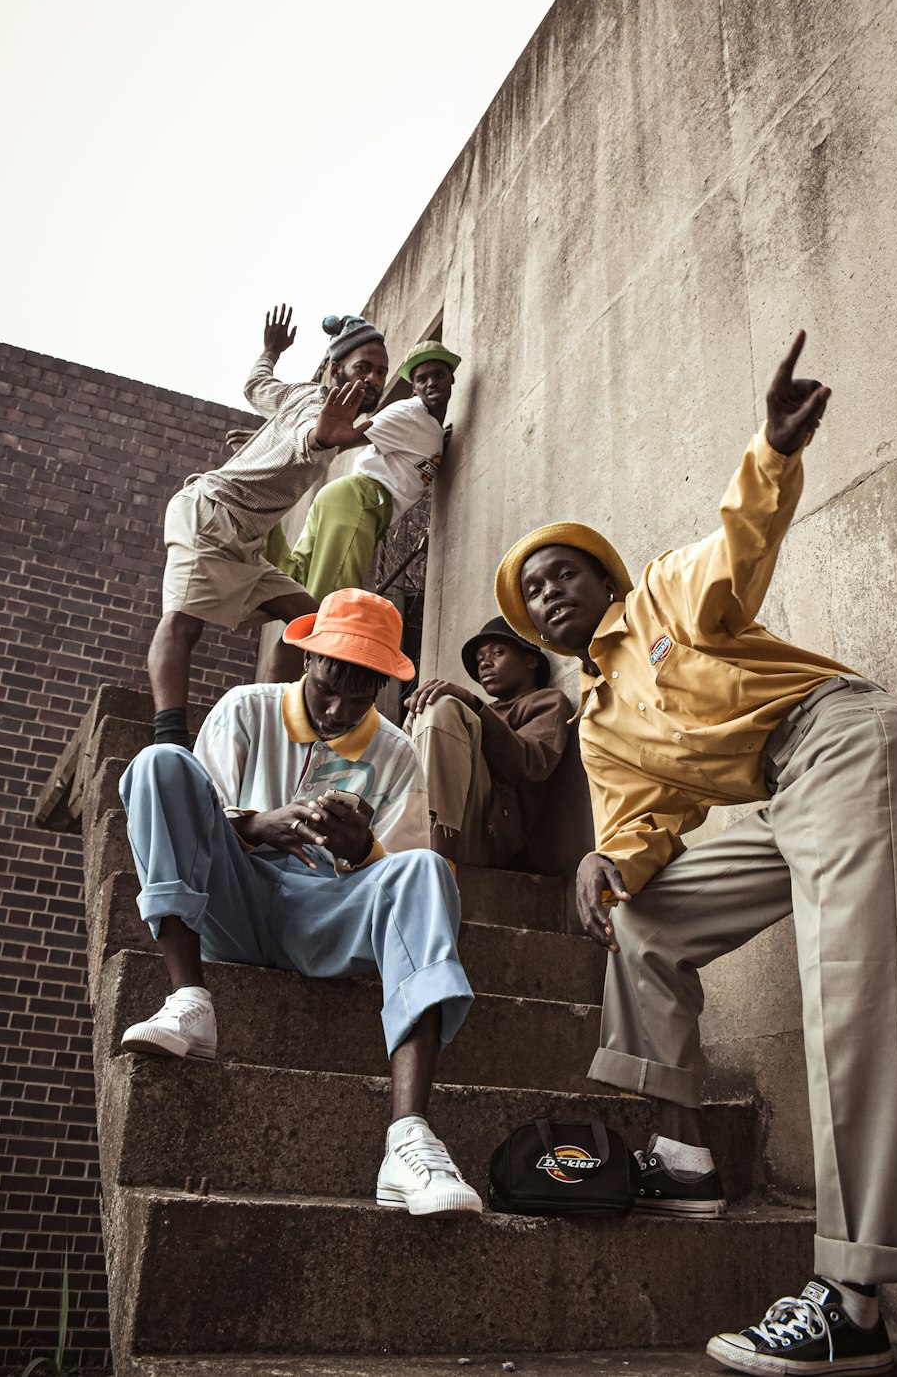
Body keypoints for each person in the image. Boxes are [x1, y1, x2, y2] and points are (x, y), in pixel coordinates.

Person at [494, 331, 897, 1371]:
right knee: (642, 915)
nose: (554, 591)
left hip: (844, 742)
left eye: (567, 572)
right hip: (787, 802)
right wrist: (599, 865)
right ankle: (686, 1149)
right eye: (537, 590)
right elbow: (638, 834)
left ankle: (854, 1291)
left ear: (602, 577)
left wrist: (773, 450)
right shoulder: (599, 723)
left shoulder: (660, 597)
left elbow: (734, 548)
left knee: (849, 990)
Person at [121, 588, 482, 1218]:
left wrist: (362, 847)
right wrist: (256, 826)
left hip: (326, 916)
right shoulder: (245, 709)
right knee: (159, 765)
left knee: (427, 869)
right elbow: (194, 822)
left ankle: (408, 1139)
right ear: (307, 659)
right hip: (232, 901)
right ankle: (190, 1000)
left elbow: (401, 877)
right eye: (329, 685)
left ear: (382, 688)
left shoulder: (397, 751)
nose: (341, 708)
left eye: (361, 693)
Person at [147, 306, 385, 748]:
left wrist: (270, 352)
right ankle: (169, 739)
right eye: (362, 368)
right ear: (336, 370)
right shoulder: (316, 410)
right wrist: (319, 439)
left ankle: (278, 717)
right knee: (183, 623)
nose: (372, 379)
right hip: (212, 514)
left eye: (380, 372)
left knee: (312, 619)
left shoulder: (298, 395)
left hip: (246, 541)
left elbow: (257, 388)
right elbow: (302, 441)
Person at [265, 337, 460, 606]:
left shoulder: (432, 429)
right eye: (422, 379)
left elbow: (417, 449)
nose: (431, 383)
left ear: (451, 378)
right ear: (414, 388)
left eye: (438, 375)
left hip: (342, 501)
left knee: (294, 586)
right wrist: (280, 452)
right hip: (360, 502)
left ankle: (260, 523)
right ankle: (259, 506)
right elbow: (343, 439)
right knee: (331, 609)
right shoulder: (409, 412)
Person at [403, 616, 571, 867]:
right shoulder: (474, 713)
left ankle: (435, 863)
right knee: (423, 709)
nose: (485, 664)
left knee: (442, 705)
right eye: (480, 659)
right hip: (431, 827)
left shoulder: (547, 702)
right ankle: (406, 839)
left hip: (487, 834)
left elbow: (532, 766)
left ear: (530, 660)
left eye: (497, 653)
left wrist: (472, 704)